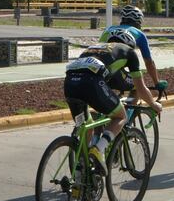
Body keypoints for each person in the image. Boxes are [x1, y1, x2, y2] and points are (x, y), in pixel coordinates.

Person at [64, 28, 162, 167]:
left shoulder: (94, 47)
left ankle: (81, 173)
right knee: (121, 116)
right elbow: (139, 87)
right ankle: (98, 149)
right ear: (131, 44)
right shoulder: (129, 52)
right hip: (91, 82)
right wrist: (153, 104)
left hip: (70, 83)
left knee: (86, 127)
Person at [100, 5, 168, 92]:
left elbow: (99, 50)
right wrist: (156, 82)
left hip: (100, 71)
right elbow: (149, 62)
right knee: (138, 84)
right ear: (138, 20)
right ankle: (131, 103)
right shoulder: (139, 34)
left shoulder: (107, 30)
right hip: (115, 73)